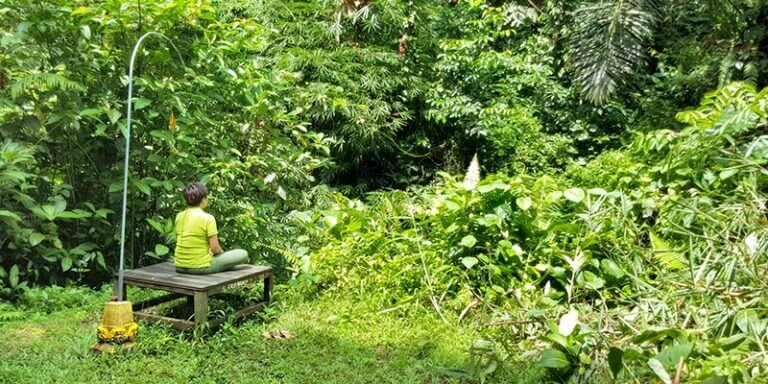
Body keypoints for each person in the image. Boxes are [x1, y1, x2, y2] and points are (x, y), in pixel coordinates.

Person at [173, 182, 248, 274]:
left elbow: (179, 239)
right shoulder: (207, 218)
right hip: (200, 267)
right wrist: (223, 257)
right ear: (204, 199)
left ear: (186, 200)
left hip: (179, 266)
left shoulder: (179, 216)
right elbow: (215, 249)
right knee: (242, 254)